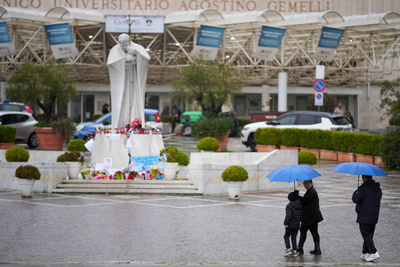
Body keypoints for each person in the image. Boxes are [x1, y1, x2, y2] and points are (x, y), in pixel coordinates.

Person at [107, 33, 150, 129]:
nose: (123, 46)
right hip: (122, 80)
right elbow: (111, 64)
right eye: (121, 44)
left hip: (134, 80)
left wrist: (136, 54)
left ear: (129, 41)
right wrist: (123, 60)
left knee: (135, 99)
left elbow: (146, 59)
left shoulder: (137, 48)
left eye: (125, 44)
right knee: (123, 101)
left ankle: (136, 124)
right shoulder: (115, 50)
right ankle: (122, 124)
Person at [352, 175, 382, 262]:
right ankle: (365, 253)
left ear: (364, 178)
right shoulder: (378, 188)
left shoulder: (363, 188)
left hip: (364, 216)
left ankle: (374, 252)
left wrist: (356, 191)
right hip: (374, 216)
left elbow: (355, 199)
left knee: (366, 234)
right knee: (369, 235)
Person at [297, 179, 323, 255]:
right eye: (304, 183)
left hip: (309, 217)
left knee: (303, 232)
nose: (305, 184)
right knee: (314, 232)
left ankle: (300, 248)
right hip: (312, 217)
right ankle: (317, 248)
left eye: (307, 183)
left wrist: (297, 196)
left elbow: (305, 200)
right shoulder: (311, 191)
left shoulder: (311, 191)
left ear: (311, 183)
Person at [283, 190, 302, 257]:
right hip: (297, 225)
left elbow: (289, 215)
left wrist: (286, 223)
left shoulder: (289, 206)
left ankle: (288, 249)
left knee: (286, 236)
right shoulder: (299, 205)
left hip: (290, 225)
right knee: (294, 237)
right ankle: (294, 250)